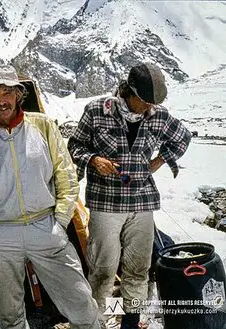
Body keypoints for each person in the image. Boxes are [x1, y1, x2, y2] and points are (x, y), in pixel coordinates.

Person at [0, 63, 100, 329]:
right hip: (1, 233)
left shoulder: (42, 126)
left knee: (80, 302)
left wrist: (61, 220)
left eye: (7, 92)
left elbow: (65, 174)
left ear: (18, 95)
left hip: (44, 226)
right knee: (9, 315)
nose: (1, 100)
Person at [67, 62, 191, 329]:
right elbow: (75, 146)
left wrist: (160, 160)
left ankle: (131, 322)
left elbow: (183, 137)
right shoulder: (98, 111)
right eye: (144, 101)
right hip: (105, 203)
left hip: (142, 201)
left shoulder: (157, 115)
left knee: (138, 269)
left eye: (153, 103)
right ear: (129, 92)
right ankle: (95, 321)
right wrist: (94, 159)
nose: (149, 107)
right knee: (103, 269)